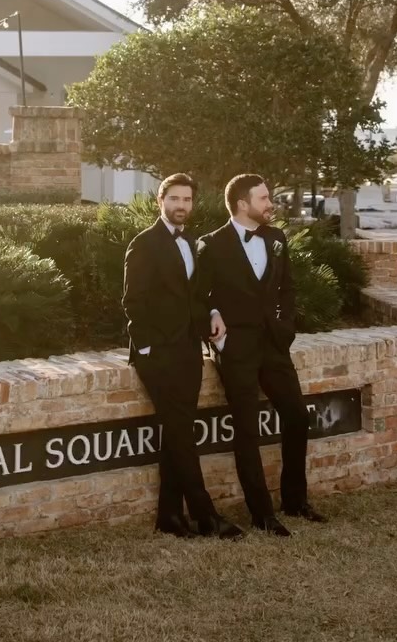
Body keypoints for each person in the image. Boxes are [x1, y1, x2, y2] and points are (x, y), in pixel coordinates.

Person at [197, 173, 326, 536]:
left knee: (297, 416)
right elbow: (199, 296)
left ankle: (295, 500)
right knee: (247, 430)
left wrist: (286, 328)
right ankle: (262, 514)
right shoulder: (211, 244)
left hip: (274, 345)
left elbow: (287, 288)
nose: (271, 204)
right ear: (243, 204)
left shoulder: (276, 238)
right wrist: (213, 317)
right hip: (236, 348)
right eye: (264, 198)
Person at [123, 172, 243, 540]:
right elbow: (133, 302)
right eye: (174, 198)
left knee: (178, 433)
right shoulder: (144, 244)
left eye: (187, 200)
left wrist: (212, 313)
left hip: (189, 350)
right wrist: (147, 348)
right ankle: (206, 515)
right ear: (160, 201)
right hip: (158, 355)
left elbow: (196, 295)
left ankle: (170, 516)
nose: (181, 205)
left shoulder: (191, 242)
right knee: (181, 434)